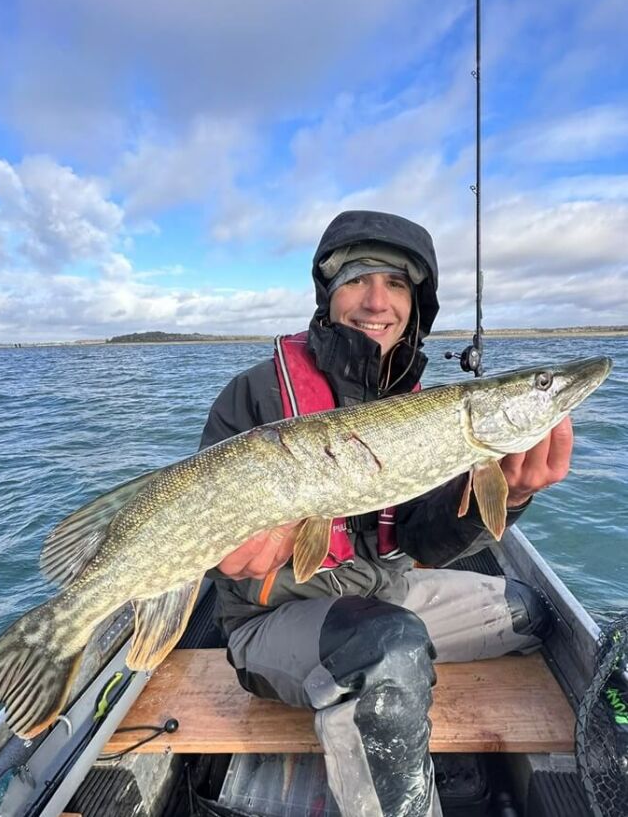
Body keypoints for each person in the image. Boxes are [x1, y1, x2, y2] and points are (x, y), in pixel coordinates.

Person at [199, 210, 573, 817]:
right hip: (273, 618)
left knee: (530, 613)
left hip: (384, 592)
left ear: (416, 304)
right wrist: (231, 557)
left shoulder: (424, 408)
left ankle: (387, 670)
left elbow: (425, 538)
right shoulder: (254, 395)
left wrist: (511, 490)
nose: (377, 300)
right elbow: (217, 531)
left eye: (397, 284)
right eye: (358, 279)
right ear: (328, 295)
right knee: (388, 648)